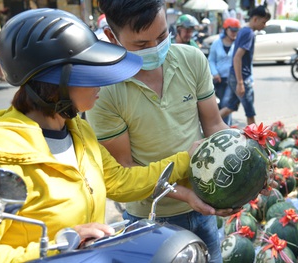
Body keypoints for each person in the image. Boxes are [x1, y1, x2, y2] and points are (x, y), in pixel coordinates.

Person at [0, 8, 205, 262]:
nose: (100, 83)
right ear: (56, 82)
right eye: (89, 73)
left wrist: (185, 160)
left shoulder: (78, 131)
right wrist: (58, 245)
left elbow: (121, 181)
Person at [86, 1, 235, 262]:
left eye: (162, 36)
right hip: (150, 220)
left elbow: (214, 126)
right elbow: (127, 169)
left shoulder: (192, 59)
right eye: (142, 45)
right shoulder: (104, 92)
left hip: (204, 205)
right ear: (112, 36)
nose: (155, 49)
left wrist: (248, 156)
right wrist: (186, 196)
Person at [219, 6, 271, 126]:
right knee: (250, 112)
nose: (265, 25)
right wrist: (240, 82)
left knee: (230, 107)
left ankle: (206, 124)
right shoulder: (249, 34)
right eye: (263, 22)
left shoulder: (243, 30)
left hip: (235, 75)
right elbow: (237, 57)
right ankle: (256, 139)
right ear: (255, 19)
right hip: (242, 76)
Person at [208, 18, 241, 126]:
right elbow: (211, 60)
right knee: (220, 105)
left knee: (227, 105)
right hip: (219, 79)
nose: (234, 33)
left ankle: (225, 127)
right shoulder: (216, 43)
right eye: (232, 31)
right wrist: (215, 73)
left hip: (233, 79)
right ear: (226, 30)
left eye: (236, 31)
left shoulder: (238, 44)